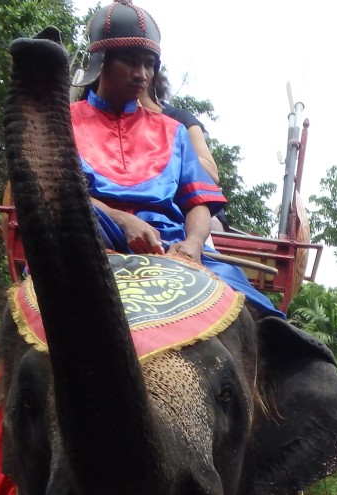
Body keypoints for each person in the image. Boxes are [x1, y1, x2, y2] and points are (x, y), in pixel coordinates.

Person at [69, 0, 282, 316]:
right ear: (102, 62)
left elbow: (197, 202)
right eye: (130, 62)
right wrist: (122, 219)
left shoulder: (173, 130)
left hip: (169, 243)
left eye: (149, 64)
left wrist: (193, 243)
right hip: (90, 233)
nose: (142, 74)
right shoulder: (63, 121)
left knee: (262, 316)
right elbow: (56, 194)